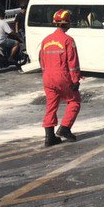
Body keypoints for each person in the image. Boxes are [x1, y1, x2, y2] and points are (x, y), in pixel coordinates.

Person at [39, 9, 82, 147]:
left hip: (47, 77)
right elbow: (72, 63)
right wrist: (75, 80)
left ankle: (49, 137)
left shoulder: (46, 40)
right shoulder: (68, 40)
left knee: (51, 106)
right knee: (74, 101)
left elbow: (42, 60)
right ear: (67, 22)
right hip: (62, 76)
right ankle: (65, 128)